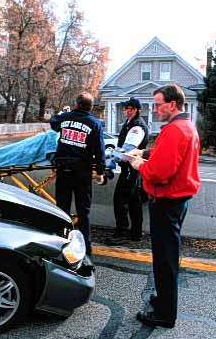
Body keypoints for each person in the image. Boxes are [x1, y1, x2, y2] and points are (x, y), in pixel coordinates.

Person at [129, 84, 200, 328]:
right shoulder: (187, 127)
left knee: (165, 260)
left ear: (172, 104)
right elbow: (167, 156)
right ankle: (162, 301)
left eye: (158, 104)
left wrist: (139, 165)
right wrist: (146, 152)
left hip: (166, 202)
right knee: (167, 257)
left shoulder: (174, 130)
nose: (155, 109)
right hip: (177, 201)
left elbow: (160, 172)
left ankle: (165, 313)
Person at [50, 92, 106, 255]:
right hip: (82, 171)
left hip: (64, 169)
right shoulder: (94, 124)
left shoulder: (65, 118)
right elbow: (99, 150)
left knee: (62, 208)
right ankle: (86, 248)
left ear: (76, 104)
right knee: (84, 211)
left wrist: (62, 112)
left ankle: (61, 244)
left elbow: (53, 122)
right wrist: (100, 171)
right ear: (90, 107)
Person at [107, 97, 149, 244]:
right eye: (125, 108)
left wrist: (112, 157)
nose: (126, 110)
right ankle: (135, 233)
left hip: (131, 169)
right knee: (134, 202)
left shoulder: (137, 127)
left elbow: (129, 150)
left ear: (135, 110)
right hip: (135, 169)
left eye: (129, 108)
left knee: (120, 200)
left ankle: (121, 233)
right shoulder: (130, 124)